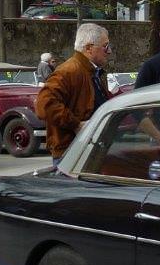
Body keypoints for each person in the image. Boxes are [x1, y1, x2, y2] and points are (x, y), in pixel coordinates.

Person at [36, 23, 111, 162]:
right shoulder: (69, 71)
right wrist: (76, 124)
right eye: (105, 46)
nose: (109, 51)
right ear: (89, 48)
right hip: (72, 154)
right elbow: (43, 103)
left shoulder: (90, 71)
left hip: (84, 151)